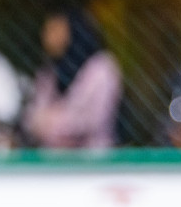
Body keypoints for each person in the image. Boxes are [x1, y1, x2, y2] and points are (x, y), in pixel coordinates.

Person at [23, 9, 121, 150]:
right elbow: (32, 120)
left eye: (54, 29)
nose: (46, 36)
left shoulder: (102, 67)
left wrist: (51, 122)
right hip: (54, 164)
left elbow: (91, 121)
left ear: (73, 30)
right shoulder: (49, 72)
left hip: (94, 163)